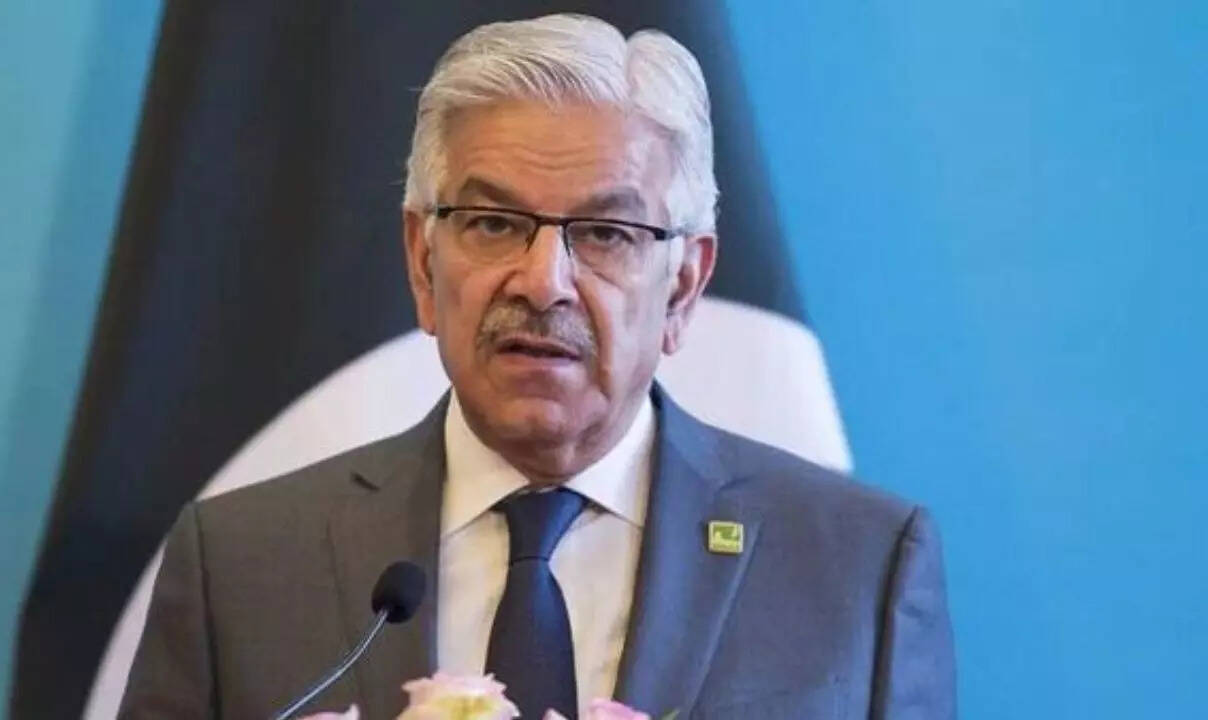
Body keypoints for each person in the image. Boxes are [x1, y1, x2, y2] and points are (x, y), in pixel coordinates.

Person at [120, 13, 955, 720]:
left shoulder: (858, 571)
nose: (543, 281)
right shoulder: (242, 566)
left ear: (682, 287)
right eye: (492, 223)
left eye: (607, 234)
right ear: (422, 261)